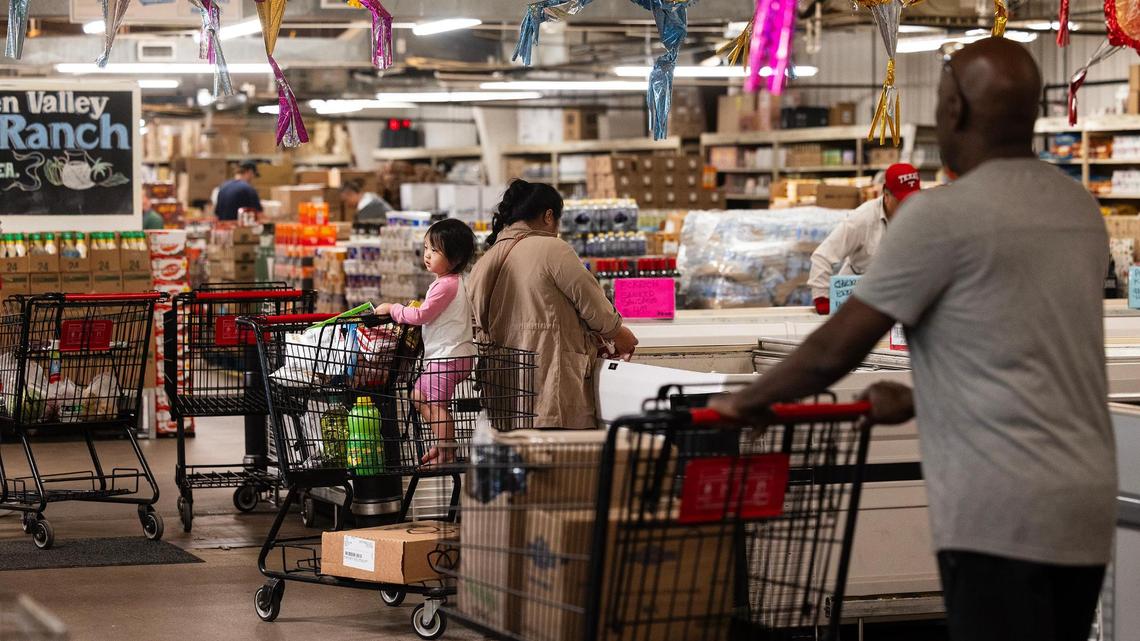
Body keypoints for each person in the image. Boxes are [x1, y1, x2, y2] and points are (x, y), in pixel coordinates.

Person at [711, 38, 1115, 641]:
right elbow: (1029, 358)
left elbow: (835, 348)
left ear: (954, 109)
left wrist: (743, 401)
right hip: (1085, 503)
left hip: (999, 508)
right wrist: (926, 395)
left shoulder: (940, 216)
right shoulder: (1078, 208)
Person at [467, 180, 639, 429]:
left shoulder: (486, 259)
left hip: (503, 391)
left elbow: (475, 322)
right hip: (549, 385)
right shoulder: (553, 248)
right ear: (549, 216)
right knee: (558, 453)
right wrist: (619, 334)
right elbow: (592, 303)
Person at [376, 219, 477, 465]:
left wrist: (393, 309)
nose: (427, 255)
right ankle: (443, 444)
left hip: (448, 357)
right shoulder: (448, 282)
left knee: (437, 405)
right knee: (419, 396)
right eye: (426, 248)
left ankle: (446, 453)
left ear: (455, 258)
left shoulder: (446, 285)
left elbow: (422, 315)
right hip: (448, 356)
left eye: (435, 250)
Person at [807, 163, 922, 314]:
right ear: (886, 195)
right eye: (901, 201)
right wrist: (822, 299)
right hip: (856, 297)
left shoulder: (922, 216)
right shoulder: (862, 219)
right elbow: (822, 256)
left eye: (912, 200)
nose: (908, 206)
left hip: (896, 296)